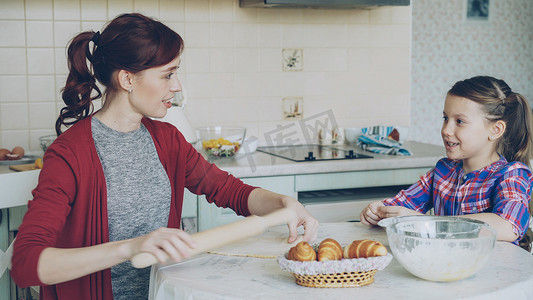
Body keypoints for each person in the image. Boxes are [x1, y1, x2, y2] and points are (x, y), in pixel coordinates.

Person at [11, 13, 318, 300]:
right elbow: (27, 264)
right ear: (127, 80)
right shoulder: (69, 154)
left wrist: (282, 203)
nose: (177, 86)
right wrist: (131, 247)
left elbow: (229, 191)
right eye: (168, 75)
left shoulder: (167, 140)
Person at [360, 76, 533, 245]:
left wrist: (426, 222)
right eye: (445, 119)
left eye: (459, 121)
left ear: (495, 130)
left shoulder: (512, 174)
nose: (446, 130)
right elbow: (403, 205)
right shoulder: (443, 171)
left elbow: (508, 225)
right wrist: (379, 210)